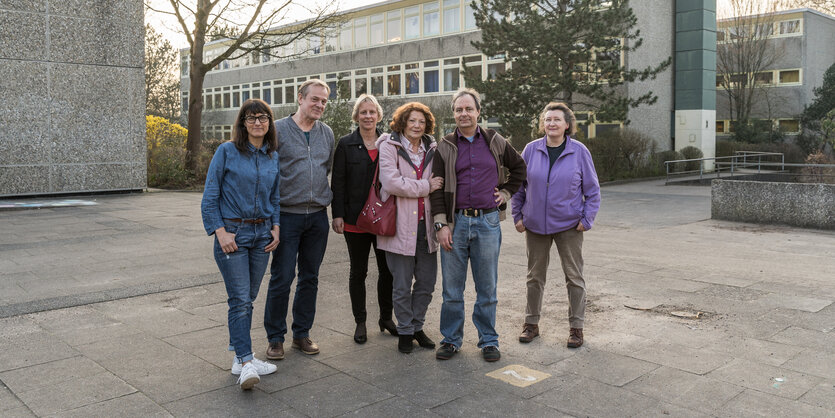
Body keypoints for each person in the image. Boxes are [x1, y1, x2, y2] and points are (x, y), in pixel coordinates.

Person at [430, 88, 526, 362]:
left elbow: (520, 169)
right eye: (458, 110)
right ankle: (450, 339)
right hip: (455, 223)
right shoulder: (446, 146)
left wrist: (505, 193)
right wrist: (441, 225)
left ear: (478, 112)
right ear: (454, 114)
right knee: (451, 289)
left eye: (468, 109)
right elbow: (437, 189)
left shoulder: (495, 141)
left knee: (487, 287)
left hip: (487, 222)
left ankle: (488, 341)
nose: (464, 114)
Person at [201, 98, 280, 390]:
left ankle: (239, 357)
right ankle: (246, 362)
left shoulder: (272, 156)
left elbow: (275, 197)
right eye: (251, 118)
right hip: (233, 235)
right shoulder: (227, 152)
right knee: (240, 300)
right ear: (242, 123)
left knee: (248, 298)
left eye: (263, 118)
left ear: (269, 123)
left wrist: (277, 227)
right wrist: (219, 232)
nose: (257, 122)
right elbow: (210, 197)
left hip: (262, 236)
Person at [511, 102, 600, 348]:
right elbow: (519, 186)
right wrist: (517, 215)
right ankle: (531, 324)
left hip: (569, 226)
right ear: (543, 124)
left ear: (567, 125)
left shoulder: (579, 151)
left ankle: (576, 328)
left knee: (574, 277)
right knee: (534, 277)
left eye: (557, 120)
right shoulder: (530, 150)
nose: (551, 123)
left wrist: (586, 219)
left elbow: (593, 191)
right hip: (535, 225)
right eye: (548, 119)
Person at [264, 79, 335, 360]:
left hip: (317, 218)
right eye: (315, 99)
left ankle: (301, 333)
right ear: (301, 98)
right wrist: (271, 220)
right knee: (282, 278)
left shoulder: (326, 133)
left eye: (324, 102)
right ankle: (275, 338)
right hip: (286, 217)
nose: (319, 105)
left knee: (310, 278)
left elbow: (326, 169)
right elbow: (268, 175)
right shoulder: (278, 130)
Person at [376, 102, 444, 353]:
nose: (417, 126)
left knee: (426, 284)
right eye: (412, 121)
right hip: (399, 227)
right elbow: (392, 183)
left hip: (426, 228)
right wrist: (427, 186)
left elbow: (442, 182)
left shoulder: (433, 148)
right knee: (402, 285)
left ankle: (416, 326)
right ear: (402, 122)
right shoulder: (389, 146)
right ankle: (405, 330)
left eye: (422, 122)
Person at [331, 94, 398, 344]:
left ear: (379, 116)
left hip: (384, 220)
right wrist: (337, 214)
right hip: (354, 220)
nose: (368, 116)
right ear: (356, 116)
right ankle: (360, 322)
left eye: (372, 112)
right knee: (358, 272)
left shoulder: (390, 143)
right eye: (363, 112)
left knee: (388, 271)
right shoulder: (346, 144)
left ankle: (386, 318)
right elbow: (337, 182)